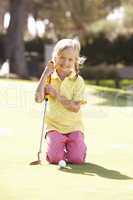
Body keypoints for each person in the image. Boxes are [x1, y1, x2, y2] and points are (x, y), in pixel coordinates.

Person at [35, 38, 87, 164]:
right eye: (62, 57)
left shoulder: (78, 81)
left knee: (77, 159)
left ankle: (76, 148)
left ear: (76, 61)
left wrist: (55, 94)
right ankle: (56, 148)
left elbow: (75, 108)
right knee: (55, 159)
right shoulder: (49, 78)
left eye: (70, 59)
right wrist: (45, 73)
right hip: (54, 127)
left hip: (74, 127)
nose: (65, 62)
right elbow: (38, 99)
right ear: (55, 58)